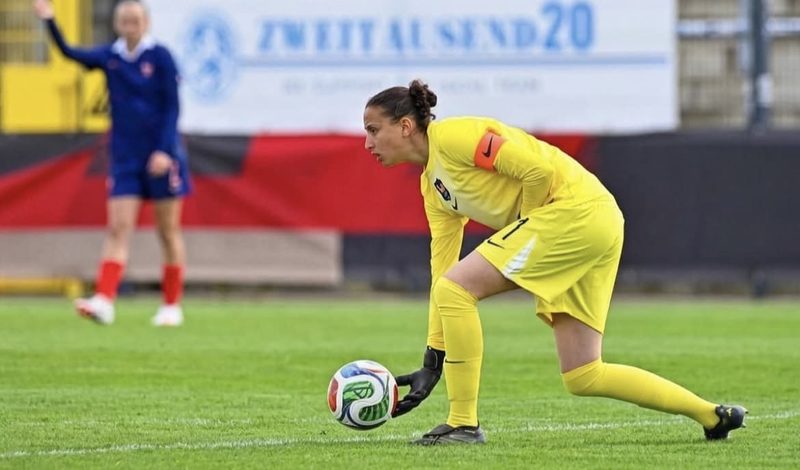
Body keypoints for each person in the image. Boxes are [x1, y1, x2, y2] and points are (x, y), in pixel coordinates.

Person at [362, 79, 747, 445]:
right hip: (593, 223)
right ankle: (711, 415)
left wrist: (526, 228)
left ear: (407, 125)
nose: (368, 143)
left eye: (373, 130)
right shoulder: (433, 188)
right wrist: (433, 357)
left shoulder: (456, 136)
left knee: (457, 290)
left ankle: (463, 424)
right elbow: (441, 271)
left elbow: (538, 171)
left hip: (578, 213)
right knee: (584, 374)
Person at [33, 0, 191, 326]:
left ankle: (171, 305)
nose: (130, 25)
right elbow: (69, 53)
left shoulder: (160, 57)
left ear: (146, 22)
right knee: (118, 227)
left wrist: (164, 151)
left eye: (136, 19)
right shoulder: (112, 57)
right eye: (124, 20)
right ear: (118, 24)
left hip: (161, 157)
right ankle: (105, 299)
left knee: (167, 231)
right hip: (125, 157)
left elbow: (172, 109)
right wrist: (49, 20)